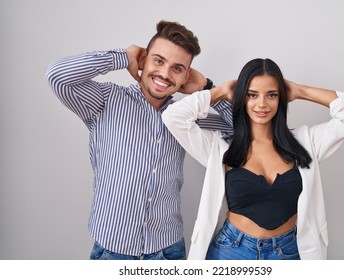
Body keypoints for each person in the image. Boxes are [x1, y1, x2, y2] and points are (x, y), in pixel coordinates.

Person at [45, 20, 232, 260]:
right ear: (143, 60)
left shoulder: (188, 116)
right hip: (112, 250)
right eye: (158, 60)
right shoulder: (106, 100)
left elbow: (245, 132)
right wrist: (122, 56)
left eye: (177, 68)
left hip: (167, 250)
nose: (164, 74)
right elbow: (57, 75)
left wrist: (207, 89)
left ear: (186, 76)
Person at [162, 58, 344, 260]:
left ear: (281, 98)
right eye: (252, 95)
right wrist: (220, 91)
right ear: (242, 96)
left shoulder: (307, 142)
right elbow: (173, 117)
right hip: (231, 251)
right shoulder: (220, 148)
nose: (261, 104)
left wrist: (300, 91)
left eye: (271, 95)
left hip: (290, 251)